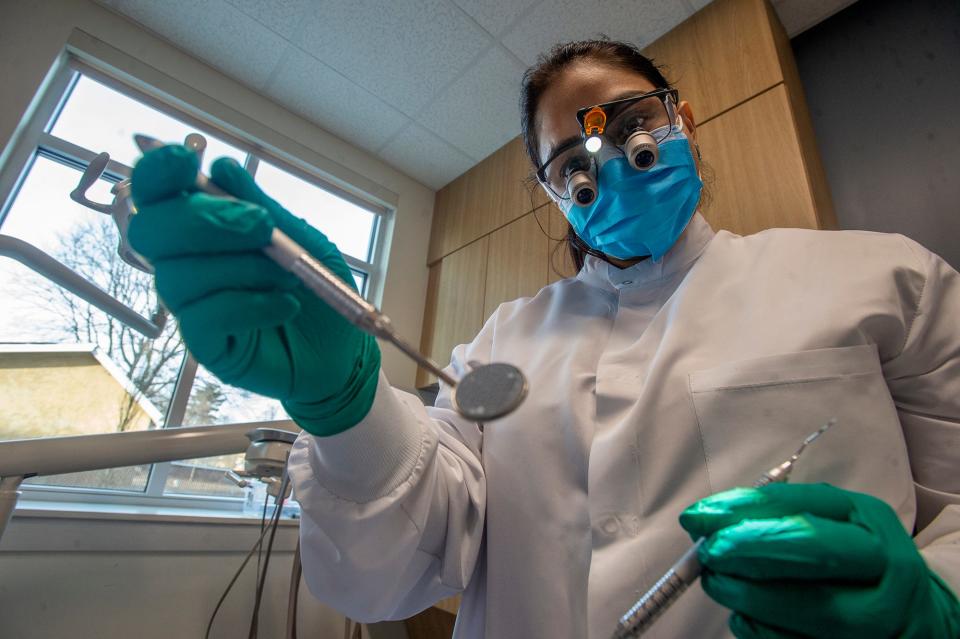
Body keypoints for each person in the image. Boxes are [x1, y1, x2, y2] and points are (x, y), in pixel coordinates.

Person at [127, 39, 960, 638]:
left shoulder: (886, 279)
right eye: (573, 165)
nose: (611, 164)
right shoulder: (502, 340)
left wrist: (935, 606)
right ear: (555, 195)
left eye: (633, 123)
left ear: (684, 120)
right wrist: (342, 407)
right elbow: (391, 571)